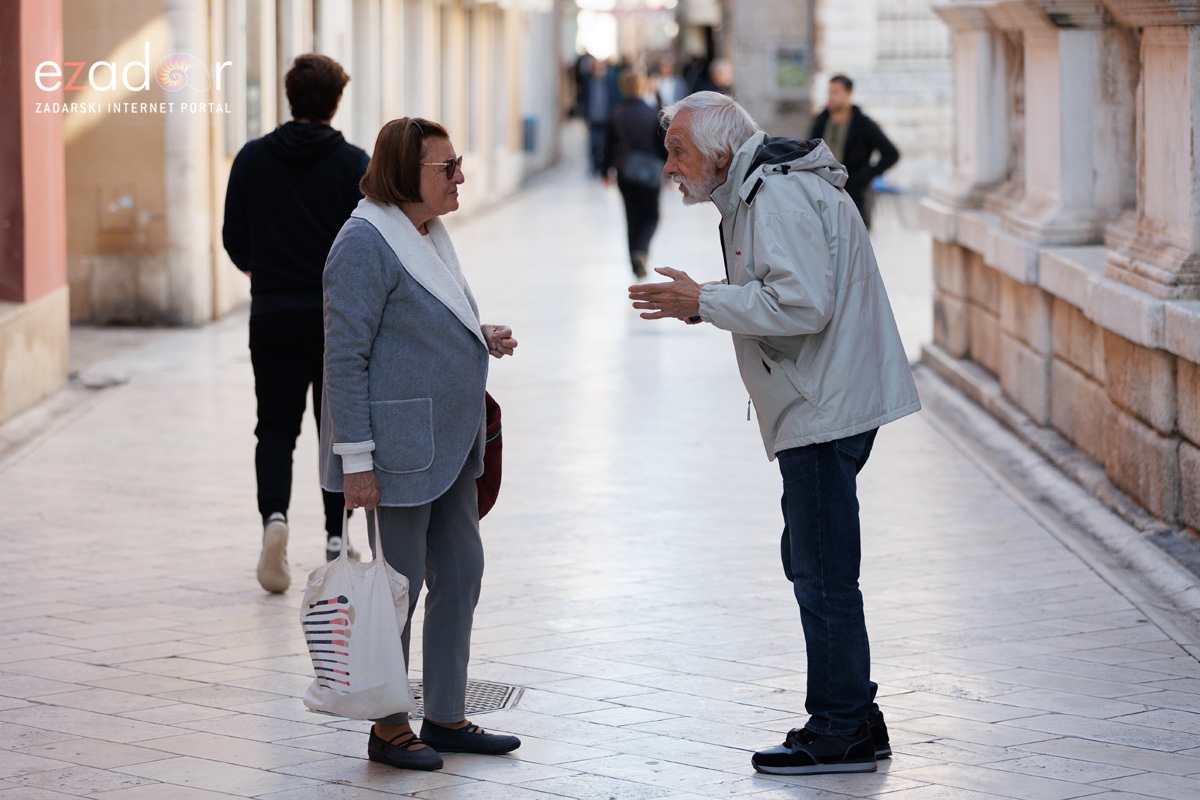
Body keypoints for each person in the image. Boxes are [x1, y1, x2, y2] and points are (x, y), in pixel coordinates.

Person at [628, 92, 920, 775]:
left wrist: (703, 299)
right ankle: (854, 713)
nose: (669, 166)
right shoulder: (760, 188)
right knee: (814, 561)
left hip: (822, 405)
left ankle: (840, 728)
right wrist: (704, 305)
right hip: (823, 398)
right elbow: (785, 291)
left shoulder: (775, 195)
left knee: (822, 571)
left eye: (678, 151)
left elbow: (801, 304)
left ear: (721, 151)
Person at [320, 117, 521, 772]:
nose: (461, 175)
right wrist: (355, 462)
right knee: (395, 591)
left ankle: (446, 715)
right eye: (448, 166)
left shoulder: (427, 231)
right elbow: (344, 357)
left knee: (461, 571)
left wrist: (477, 334)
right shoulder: (363, 242)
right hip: (397, 450)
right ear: (408, 172)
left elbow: (425, 318)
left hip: (450, 443)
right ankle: (388, 727)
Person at [223, 53, 368, 593]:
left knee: (275, 429)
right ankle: (336, 537)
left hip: (273, 314)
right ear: (336, 101)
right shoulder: (354, 164)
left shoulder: (252, 158)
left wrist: (268, 273)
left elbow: (234, 239)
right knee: (337, 431)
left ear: (289, 97)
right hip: (336, 321)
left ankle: (275, 521)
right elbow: (369, 241)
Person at [808, 75, 899, 229]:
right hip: (822, 194)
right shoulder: (821, 120)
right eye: (829, 92)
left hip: (853, 195)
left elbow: (891, 154)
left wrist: (863, 177)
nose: (831, 97)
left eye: (836, 92)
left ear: (848, 94)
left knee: (854, 236)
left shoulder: (863, 124)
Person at [602, 71, 668, 279]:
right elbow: (662, 145)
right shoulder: (654, 113)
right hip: (650, 172)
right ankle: (641, 249)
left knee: (632, 218)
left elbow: (609, 146)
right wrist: (670, 173)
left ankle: (635, 263)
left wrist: (605, 172)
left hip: (625, 172)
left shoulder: (618, 113)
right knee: (651, 216)